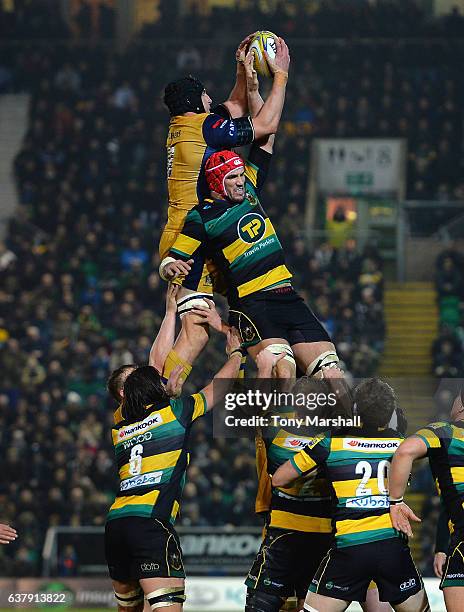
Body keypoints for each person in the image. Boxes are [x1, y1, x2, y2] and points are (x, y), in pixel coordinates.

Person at [159, 36, 291, 389]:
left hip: (204, 233)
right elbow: (264, 127)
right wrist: (280, 77)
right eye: (204, 95)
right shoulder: (202, 127)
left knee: (226, 312)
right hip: (192, 239)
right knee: (197, 332)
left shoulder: (188, 127)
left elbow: (235, 104)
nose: (210, 99)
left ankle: (166, 388)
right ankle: (157, 395)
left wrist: (240, 68)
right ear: (194, 100)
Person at [161, 136, 339, 381]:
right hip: (253, 301)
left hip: (288, 295)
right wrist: (170, 268)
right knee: (281, 371)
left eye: (241, 175)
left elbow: (266, 144)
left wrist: (262, 95)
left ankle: (361, 421)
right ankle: (271, 418)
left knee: (333, 374)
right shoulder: (201, 216)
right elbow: (172, 258)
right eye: (232, 177)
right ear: (216, 182)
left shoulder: (250, 191)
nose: (240, 182)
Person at [104, 328, 244, 612]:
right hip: (150, 522)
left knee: (128, 609)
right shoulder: (175, 413)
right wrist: (236, 354)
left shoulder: (119, 429)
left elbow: (145, 386)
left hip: (116, 524)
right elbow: (218, 386)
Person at [272, 378, 430, 612]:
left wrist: (322, 472)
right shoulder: (401, 446)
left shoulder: (330, 444)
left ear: (356, 411)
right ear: (389, 414)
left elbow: (279, 479)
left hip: (349, 548)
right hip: (391, 548)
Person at [389, 388, 464, 612]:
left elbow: (405, 451)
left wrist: (395, 501)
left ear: (460, 404)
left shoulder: (444, 432)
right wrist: (442, 547)